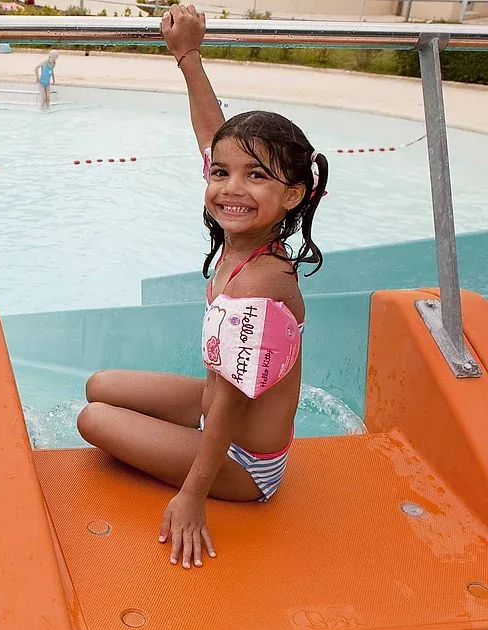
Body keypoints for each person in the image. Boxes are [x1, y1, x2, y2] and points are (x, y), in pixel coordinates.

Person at [75, 4, 327, 570]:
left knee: (92, 419)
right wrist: (187, 56)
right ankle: (175, 436)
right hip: (212, 405)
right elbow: (214, 133)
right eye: (221, 172)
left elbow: (235, 401)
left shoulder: (261, 290)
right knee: (99, 383)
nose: (231, 187)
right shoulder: (250, 241)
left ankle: (198, 474)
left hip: (242, 458)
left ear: (293, 196)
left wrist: (191, 496)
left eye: (256, 176)